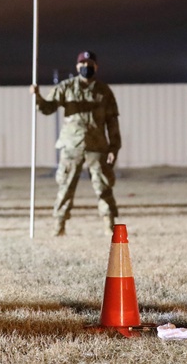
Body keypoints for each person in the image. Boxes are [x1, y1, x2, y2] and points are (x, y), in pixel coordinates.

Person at [32, 51, 121, 236]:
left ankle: (109, 224)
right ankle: (59, 225)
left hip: (97, 146)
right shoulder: (66, 87)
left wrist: (114, 147)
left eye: (89, 64)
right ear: (77, 66)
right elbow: (48, 108)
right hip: (72, 145)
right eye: (82, 64)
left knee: (103, 186)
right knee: (66, 186)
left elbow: (112, 121)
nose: (86, 67)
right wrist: (38, 96)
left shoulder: (104, 91)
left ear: (96, 66)